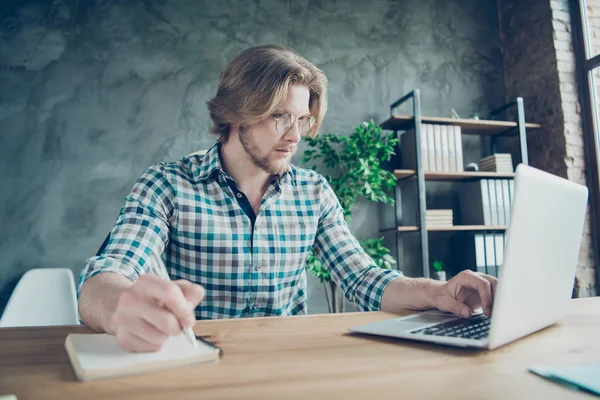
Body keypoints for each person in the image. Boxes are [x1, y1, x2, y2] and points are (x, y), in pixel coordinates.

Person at [78, 45, 497, 352]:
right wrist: (122, 307)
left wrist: (436, 292)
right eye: (281, 117)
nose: (295, 137)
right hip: (197, 367)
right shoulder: (167, 185)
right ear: (235, 112)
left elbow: (361, 278)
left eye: (302, 120)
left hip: (288, 364)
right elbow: (106, 275)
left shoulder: (313, 192)